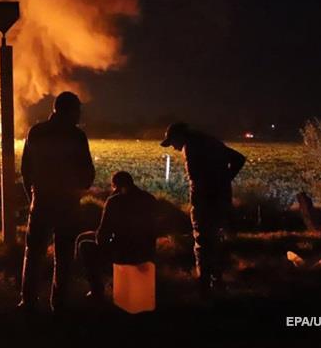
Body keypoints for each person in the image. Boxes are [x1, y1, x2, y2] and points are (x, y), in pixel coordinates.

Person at [18, 91, 95, 313]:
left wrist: (32, 198)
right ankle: (59, 304)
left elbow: (26, 170)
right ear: (69, 111)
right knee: (64, 256)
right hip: (68, 204)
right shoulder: (76, 136)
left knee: (33, 254)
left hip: (41, 201)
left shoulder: (37, 132)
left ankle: (28, 302)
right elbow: (87, 172)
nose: (79, 115)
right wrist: (79, 190)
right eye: (77, 110)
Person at [160, 122, 246, 297]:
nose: (174, 148)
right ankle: (217, 281)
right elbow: (239, 158)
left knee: (202, 242)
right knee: (216, 240)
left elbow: (196, 179)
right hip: (221, 199)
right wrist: (225, 180)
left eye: (173, 142)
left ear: (180, 136)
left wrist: (202, 196)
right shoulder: (211, 142)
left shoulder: (190, 147)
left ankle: (204, 285)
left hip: (205, 203)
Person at [76, 171, 157, 302]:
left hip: (123, 251)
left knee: (84, 244)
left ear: (116, 186)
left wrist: (95, 235)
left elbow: (102, 236)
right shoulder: (150, 199)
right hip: (146, 251)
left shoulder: (115, 201)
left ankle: (97, 290)